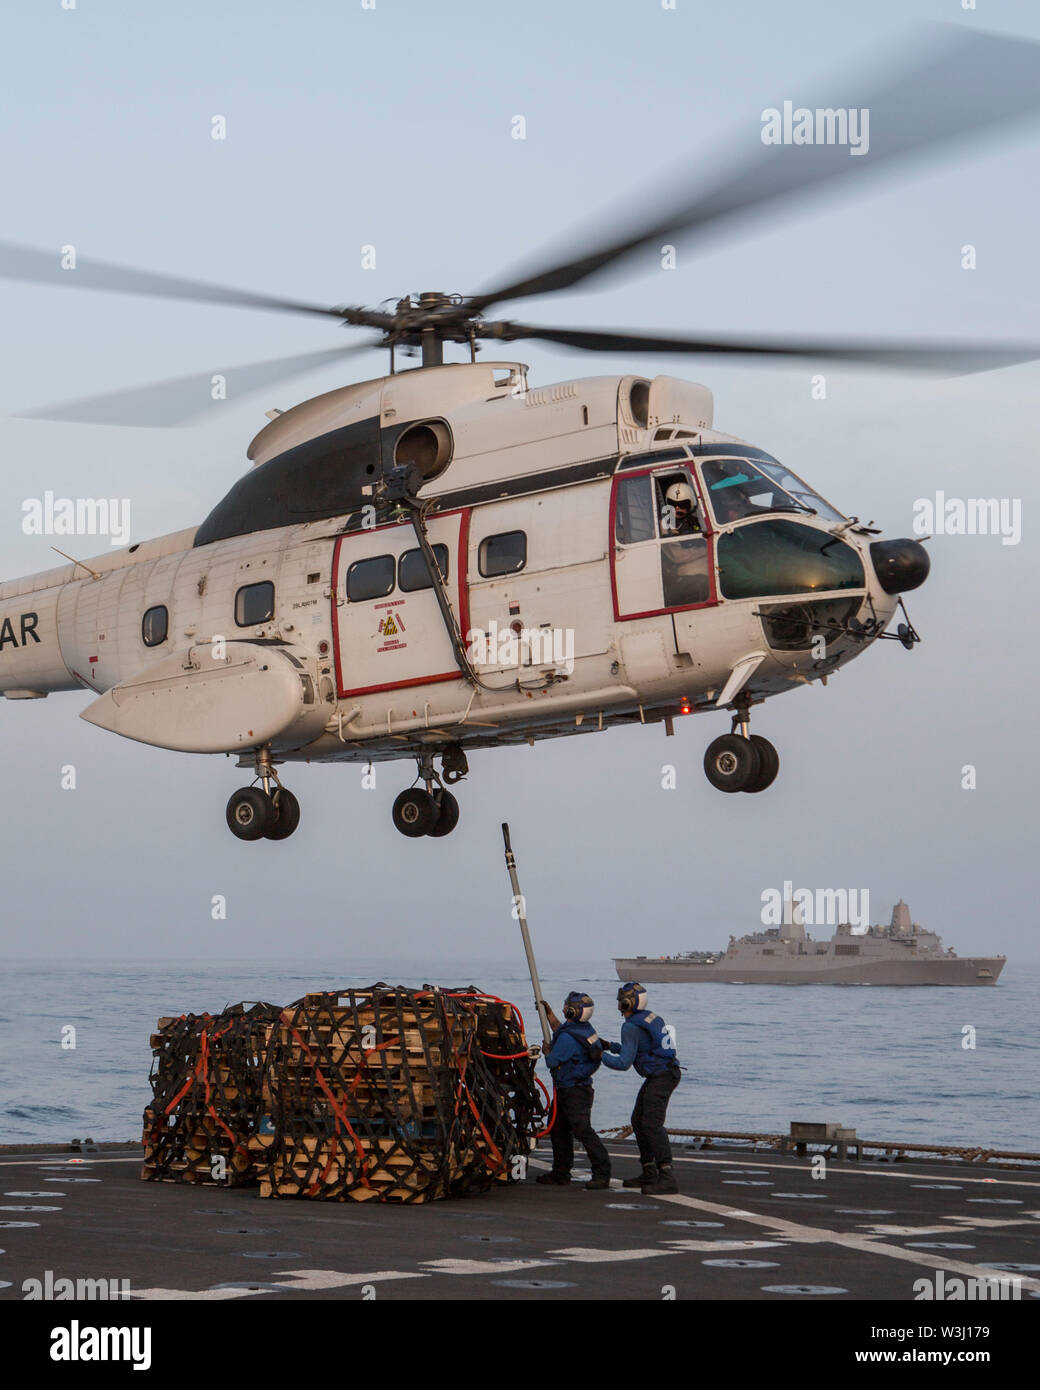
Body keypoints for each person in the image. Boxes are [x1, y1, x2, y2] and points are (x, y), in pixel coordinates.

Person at [600, 982, 681, 1194]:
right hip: (665, 1073)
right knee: (638, 1121)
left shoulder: (630, 1026)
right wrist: (609, 1046)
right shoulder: (649, 1018)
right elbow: (638, 1049)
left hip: (660, 1076)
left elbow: (623, 1063)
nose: (619, 1004)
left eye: (621, 1000)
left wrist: (600, 1056)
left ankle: (667, 1176)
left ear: (627, 1003)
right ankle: (649, 1171)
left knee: (652, 1124)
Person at [536, 991, 612, 1190]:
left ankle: (602, 1173)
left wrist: (546, 1051)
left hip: (573, 1091)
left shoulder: (569, 1039)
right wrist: (548, 1014)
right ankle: (560, 1173)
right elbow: (562, 1030)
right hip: (572, 1089)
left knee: (583, 1131)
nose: (563, 1009)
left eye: (565, 1007)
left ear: (572, 1011)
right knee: (558, 1129)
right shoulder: (585, 1029)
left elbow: (552, 1061)